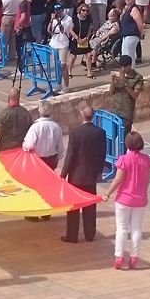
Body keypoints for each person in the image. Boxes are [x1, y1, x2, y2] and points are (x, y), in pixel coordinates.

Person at [104, 130, 150, 269]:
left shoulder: (124, 159)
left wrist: (108, 193)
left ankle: (119, 256)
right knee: (136, 228)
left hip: (124, 198)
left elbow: (118, 178)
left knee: (122, 228)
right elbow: (147, 179)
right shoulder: (147, 160)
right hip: (141, 198)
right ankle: (134, 256)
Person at [61, 104, 107, 243]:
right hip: (91, 176)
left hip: (76, 177)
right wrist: (98, 172)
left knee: (73, 208)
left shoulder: (75, 133)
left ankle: (72, 235)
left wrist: (63, 174)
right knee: (90, 207)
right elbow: (102, 155)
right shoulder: (100, 133)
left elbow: (70, 157)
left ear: (81, 116)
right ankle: (89, 234)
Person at [109, 55, 142, 142]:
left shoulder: (137, 78)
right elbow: (111, 92)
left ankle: (124, 156)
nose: (123, 69)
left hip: (126, 114)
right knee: (109, 138)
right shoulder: (119, 75)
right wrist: (112, 82)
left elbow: (135, 95)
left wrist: (125, 84)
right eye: (122, 66)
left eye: (125, 67)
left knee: (124, 141)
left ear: (130, 65)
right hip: (114, 111)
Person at [23, 99, 64, 169]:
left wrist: (24, 145)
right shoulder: (56, 127)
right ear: (51, 111)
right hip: (52, 159)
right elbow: (60, 146)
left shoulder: (35, 127)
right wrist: (59, 157)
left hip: (38, 159)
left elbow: (29, 145)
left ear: (39, 111)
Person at [0, 88, 32, 152]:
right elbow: (30, 131)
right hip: (20, 148)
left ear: (8, 98)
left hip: (6, 147)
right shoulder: (25, 113)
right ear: (19, 97)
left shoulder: (4, 113)